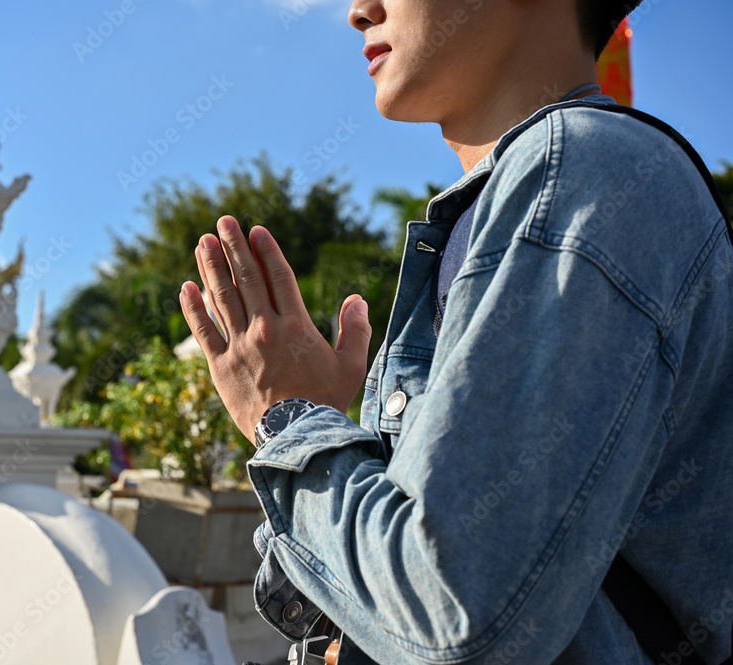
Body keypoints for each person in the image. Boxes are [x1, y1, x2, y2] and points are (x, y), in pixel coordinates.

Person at [178, 0, 733, 662]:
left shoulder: (588, 174)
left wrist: (289, 420)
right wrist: (329, 430)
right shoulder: (521, 200)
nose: (359, 11)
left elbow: (453, 617)